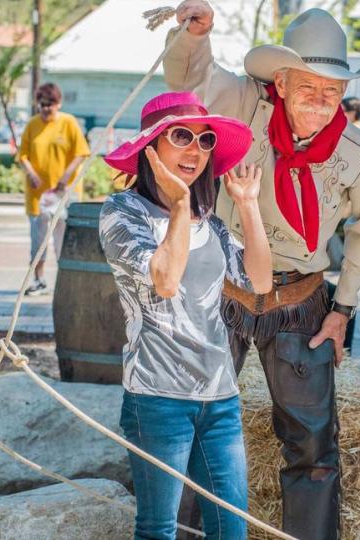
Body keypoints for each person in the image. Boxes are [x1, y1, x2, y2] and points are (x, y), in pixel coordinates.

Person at [163, 4, 360, 538]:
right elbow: (191, 77)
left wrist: (343, 311)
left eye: (333, 90)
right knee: (197, 424)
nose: (320, 100)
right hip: (222, 288)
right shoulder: (244, 104)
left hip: (301, 299)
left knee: (313, 440)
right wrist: (195, 35)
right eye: (309, 86)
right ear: (281, 82)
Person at [99, 91, 272, 540]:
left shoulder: (209, 221)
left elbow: (260, 283)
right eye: (181, 135)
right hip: (156, 399)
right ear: (150, 147)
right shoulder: (122, 213)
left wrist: (249, 207)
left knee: (230, 529)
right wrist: (177, 206)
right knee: (159, 530)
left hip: (220, 397)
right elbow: (165, 280)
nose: (196, 149)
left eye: (206, 139)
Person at [18, 83, 90, 295]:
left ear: (58, 104)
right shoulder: (32, 125)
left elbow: (80, 153)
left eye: (50, 104)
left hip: (64, 193)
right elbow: (23, 155)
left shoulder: (68, 123)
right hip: (38, 195)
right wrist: (31, 173)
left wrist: (66, 176)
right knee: (38, 241)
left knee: (64, 240)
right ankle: (39, 280)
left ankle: (65, 282)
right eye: (42, 104)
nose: (46, 109)